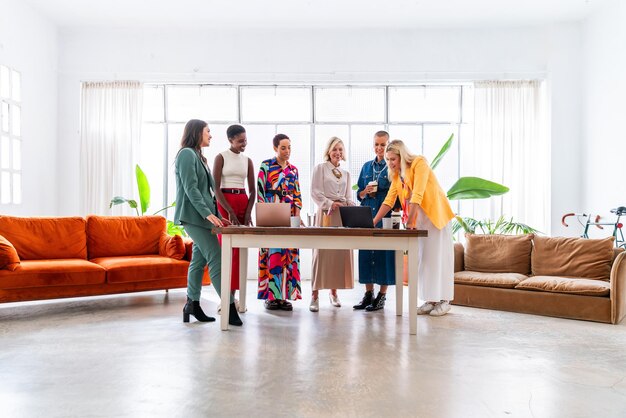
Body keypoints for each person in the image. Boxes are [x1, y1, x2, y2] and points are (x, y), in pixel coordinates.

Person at [373, 139, 455, 316]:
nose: (390, 163)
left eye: (393, 159)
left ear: (402, 156)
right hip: (420, 220)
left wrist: (410, 221)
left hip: (435, 216)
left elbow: (418, 193)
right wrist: (373, 221)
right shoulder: (397, 176)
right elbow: (389, 200)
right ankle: (431, 299)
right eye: (388, 159)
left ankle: (445, 301)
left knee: (437, 258)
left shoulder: (419, 163)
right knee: (424, 261)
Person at [173, 119, 242, 326]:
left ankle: (192, 304)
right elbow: (191, 189)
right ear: (197, 132)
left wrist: (215, 215)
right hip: (193, 217)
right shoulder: (186, 154)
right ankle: (229, 306)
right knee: (217, 257)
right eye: (208, 131)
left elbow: (207, 192)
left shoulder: (198, 157)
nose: (211, 135)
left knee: (199, 260)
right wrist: (206, 214)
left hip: (203, 217)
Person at [257, 134, 303, 310]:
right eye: (283, 147)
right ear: (275, 148)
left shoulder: (294, 170)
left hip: (289, 214)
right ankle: (271, 296)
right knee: (272, 252)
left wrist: (296, 219)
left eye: (289, 147)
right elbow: (260, 191)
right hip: (271, 213)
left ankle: (285, 297)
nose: (287, 151)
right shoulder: (266, 165)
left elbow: (297, 196)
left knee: (288, 254)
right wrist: (262, 216)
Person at [213, 124, 256, 307]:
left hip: (243, 201)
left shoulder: (248, 161)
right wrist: (229, 211)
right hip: (225, 202)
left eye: (245, 140)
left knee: (239, 250)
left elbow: (253, 190)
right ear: (230, 140)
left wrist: (247, 213)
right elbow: (215, 187)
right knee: (227, 249)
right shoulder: (221, 157)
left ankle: (235, 297)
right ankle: (226, 298)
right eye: (240, 141)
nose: (243, 144)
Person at [310, 136, 354, 312]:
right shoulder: (320, 169)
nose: (337, 152)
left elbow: (349, 197)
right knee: (321, 254)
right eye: (335, 149)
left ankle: (333, 293)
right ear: (328, 151)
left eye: (340, 149)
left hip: (342, 215)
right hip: (326, 214)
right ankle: (314, 295)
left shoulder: (346, 174)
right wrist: (330, 204)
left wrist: (350, 206)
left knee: (338, 254)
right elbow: (315, 192)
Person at [353, 131, 395, 311]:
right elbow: (359, 194)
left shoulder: (393, 168)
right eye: (376, 144)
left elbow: (397, 196)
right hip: (367, 214)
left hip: (385, 215)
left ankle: (382, 296)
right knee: (365, 253)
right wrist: (365, 192)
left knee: (383, 254)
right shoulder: (366, 167)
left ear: (388, 146)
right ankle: (368, 294)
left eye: (382, 145)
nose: (379, 148)